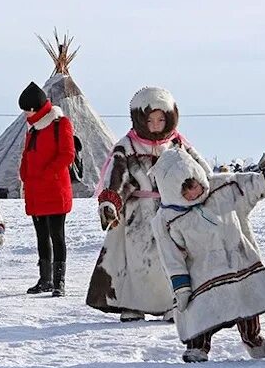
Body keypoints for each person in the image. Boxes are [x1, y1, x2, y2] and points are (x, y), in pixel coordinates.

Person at [150, 147, 265, 362]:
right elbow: (171, 257)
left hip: (237, 262)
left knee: (247, 301)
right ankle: (198, 347)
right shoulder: (166, 220)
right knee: (199, 313)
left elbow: (252, 186)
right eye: (185, 190)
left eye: (195, 183)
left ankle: (252, 338)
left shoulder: (223, 187)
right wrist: (181, 288)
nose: (194, 192)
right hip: (201, 275)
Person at [86, 87, 210, 322]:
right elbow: (117, 175)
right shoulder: (128, 146)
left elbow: (201, 172)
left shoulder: (178, 145)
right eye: (150, 119)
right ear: (140, 119)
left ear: (170, 118)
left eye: (161, 119)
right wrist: (111, 202)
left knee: (171, 258)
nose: (155, 124)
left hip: (172, 212)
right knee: (138, 260)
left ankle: (171, 304)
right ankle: (133, 304)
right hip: (138, 213)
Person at [18, 81, 75, 297]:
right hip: (35, 189)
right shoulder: (33, 128)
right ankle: (45, 279)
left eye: (27, 110)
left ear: (35, 109)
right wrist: (24, 173)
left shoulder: (61, 124)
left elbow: (67, 154)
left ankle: (59, 280)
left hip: (54, 189)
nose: (25, 115)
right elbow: (26, 154)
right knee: (41, 236)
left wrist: (47, 172)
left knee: (57, 235)